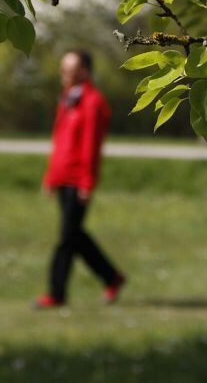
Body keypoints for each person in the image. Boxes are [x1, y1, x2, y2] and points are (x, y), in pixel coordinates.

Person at [34, 50, 125, 308]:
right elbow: (59, 139)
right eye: (62, 69)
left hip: (78, 179)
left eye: (70, 69)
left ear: (84, 71)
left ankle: (56, 293)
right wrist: (50, 176)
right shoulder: (68, 99)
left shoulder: (93, 102)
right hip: (63, 176)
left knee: (66, 238)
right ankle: (112, 276)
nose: (64, 74)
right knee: (74, 235)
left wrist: (87, 182)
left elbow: (90, 146)